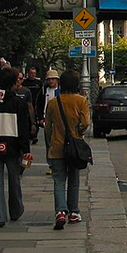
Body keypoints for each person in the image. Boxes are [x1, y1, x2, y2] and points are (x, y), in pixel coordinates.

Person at [0, 66, 33, 227]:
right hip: (12, 146)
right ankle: (15, 210)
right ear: (13, 83)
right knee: (14, 180)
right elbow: (23, 128)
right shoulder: (18, 102)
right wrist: (25, 149)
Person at [44, 69, 90, 229]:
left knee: (58, 180)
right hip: (75, 148)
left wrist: (51, 141)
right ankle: (74, 212)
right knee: (74, 180)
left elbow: (47, 127)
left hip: (57, 147)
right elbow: (85, 123)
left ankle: (60, 211)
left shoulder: (53, 103)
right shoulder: (81, 101)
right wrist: (78, 132)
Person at [36, 69, 61, 175]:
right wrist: (40, 118)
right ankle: (51, 165)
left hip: (59, 120)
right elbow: (39, 104)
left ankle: (59, 164)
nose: (51, 81)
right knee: (49, 143)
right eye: (49, 79)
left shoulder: (61, 91)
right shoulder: (44, 90)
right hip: (47, 120)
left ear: (57, 80)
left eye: (53, 79)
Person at [13, 70, 38, 149]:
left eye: (20, 78)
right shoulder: (10, 91)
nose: (18, 80)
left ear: (22, 80)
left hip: (23, 120)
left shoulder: (26, 91)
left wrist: (33, 123)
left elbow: (30, 107)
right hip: (12, 120)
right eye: (16, 78)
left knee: (24, 143)